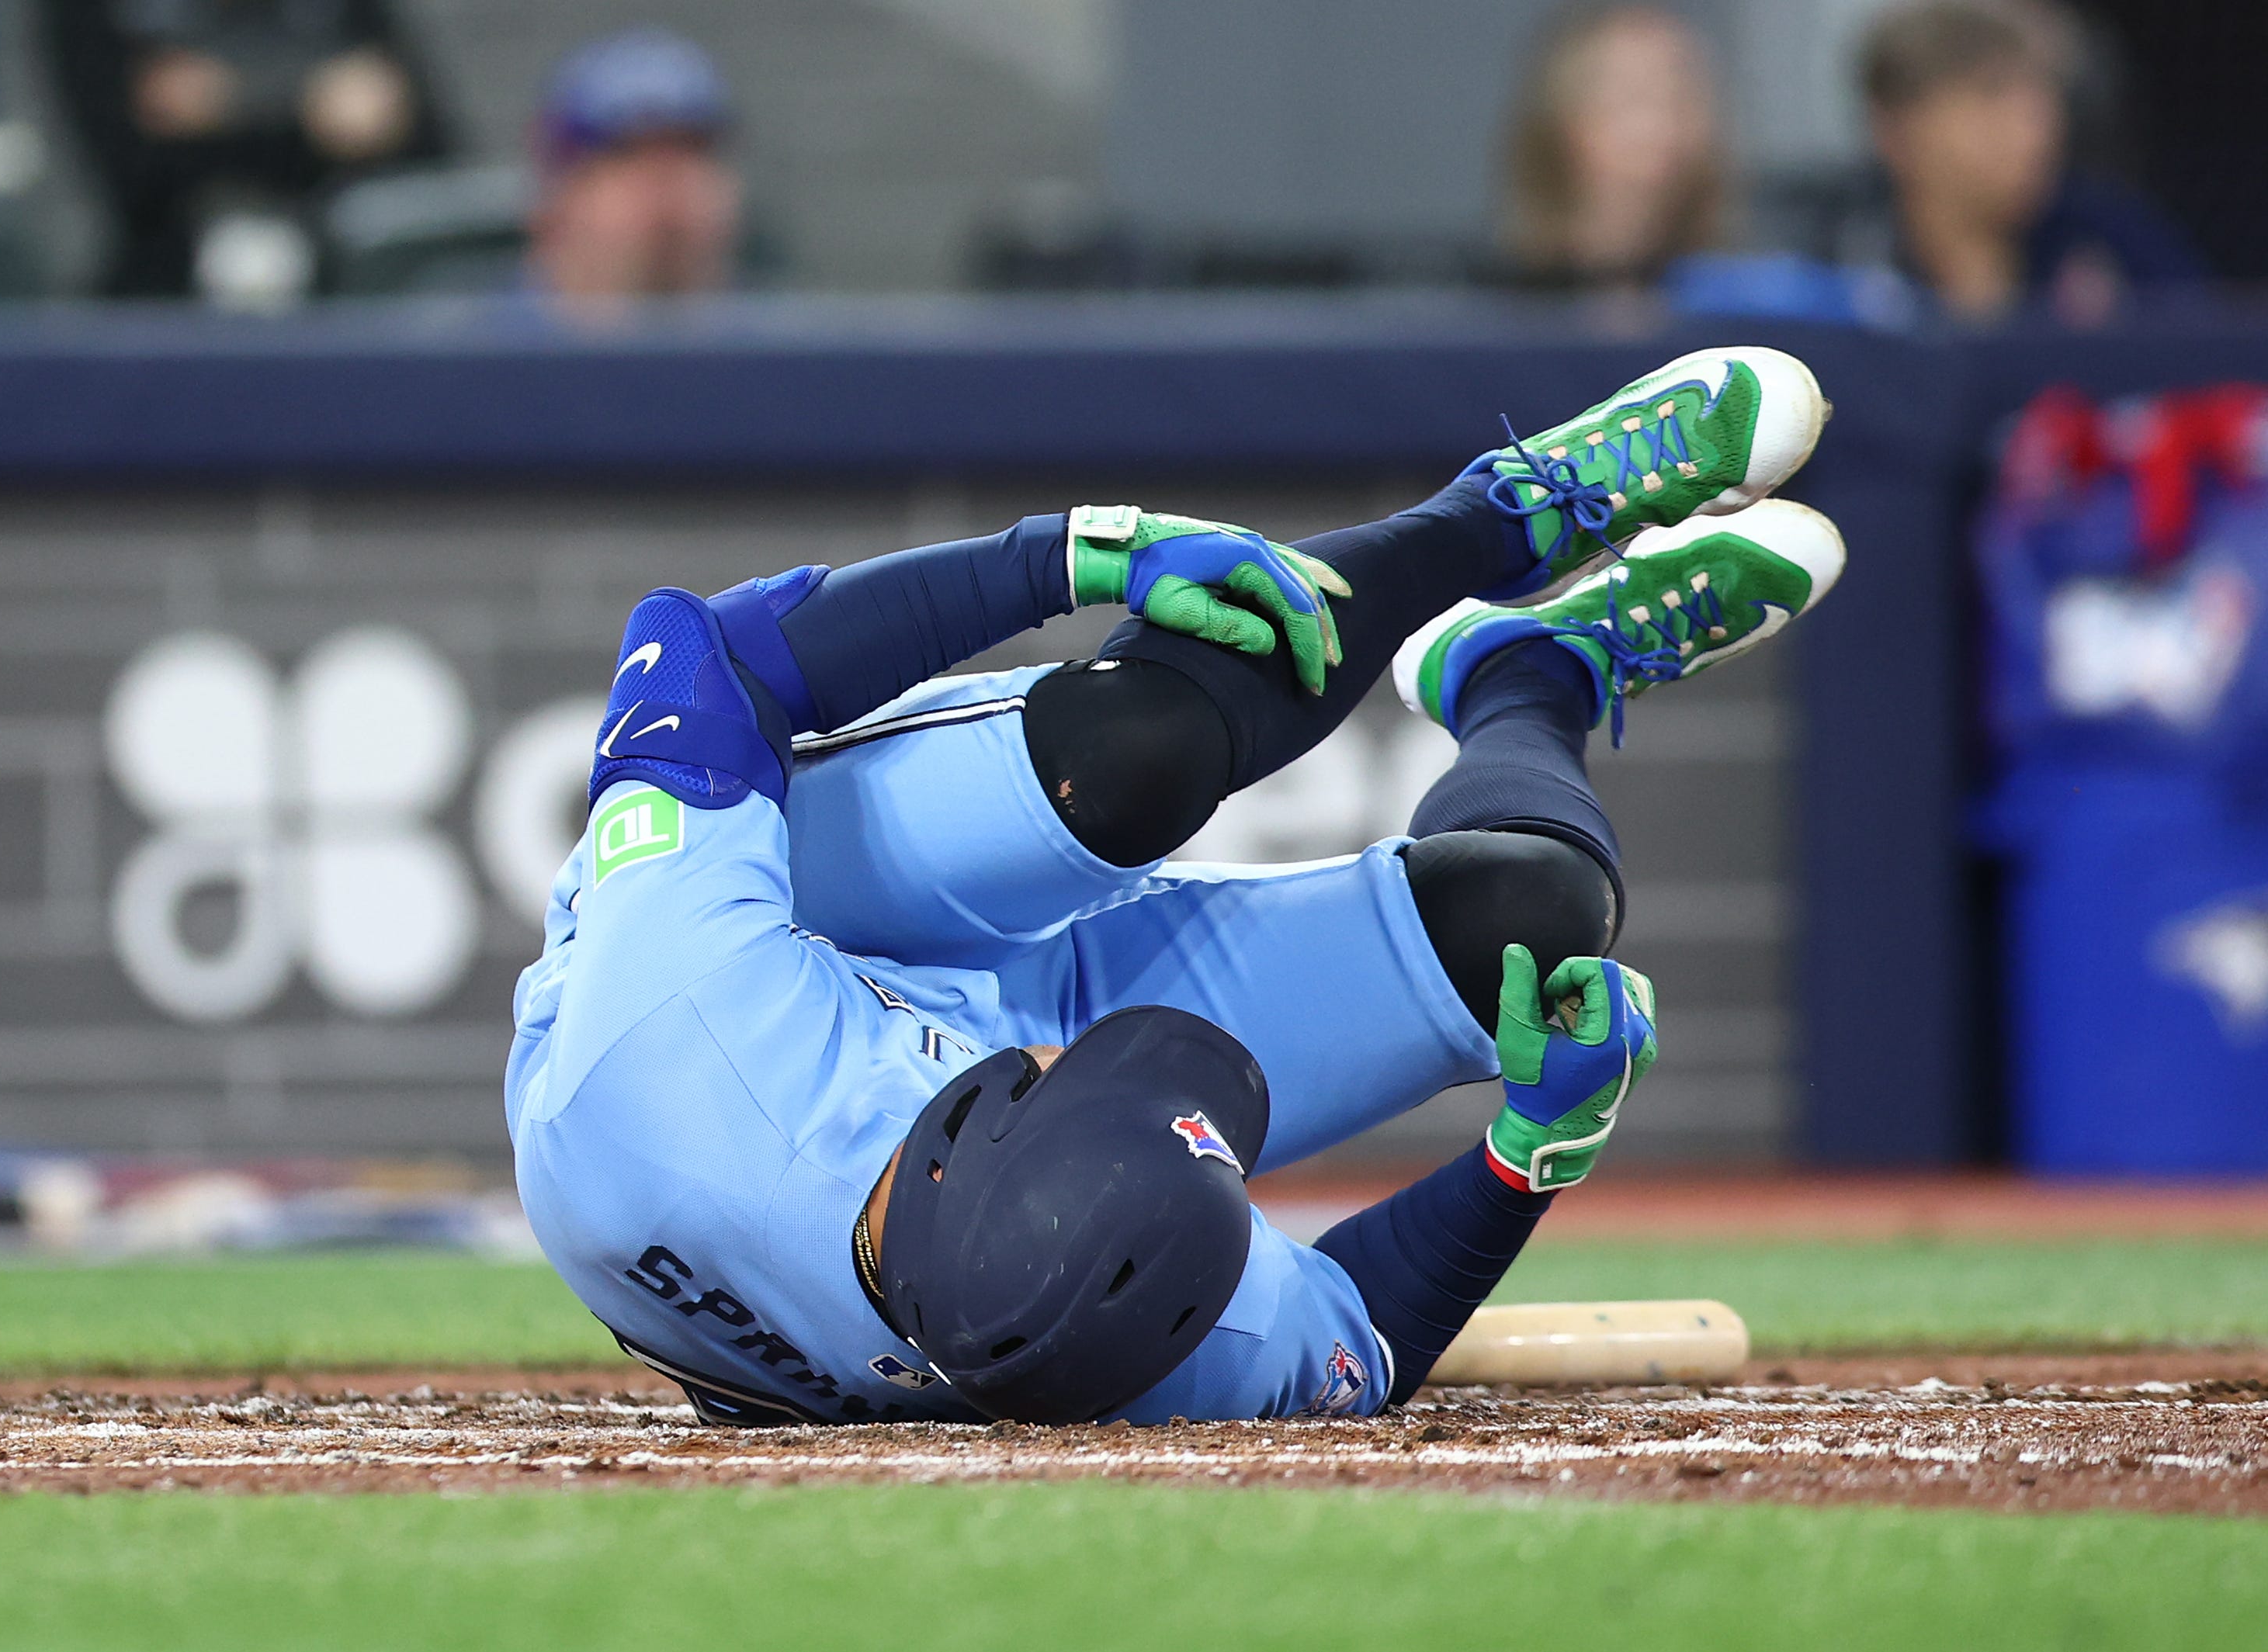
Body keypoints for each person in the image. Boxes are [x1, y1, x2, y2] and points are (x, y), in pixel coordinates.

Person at [505, 346, 1843, 1425]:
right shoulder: (1131, 1326)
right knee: (1535, 929)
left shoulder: (668, 1018)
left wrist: (1074, 554)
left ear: (974, 1109)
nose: (1094, 1063)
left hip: (802, 925)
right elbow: (1363, 1336)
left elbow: (701, 655)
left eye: (1081, 1076)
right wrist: (1531, 1150)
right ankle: (1534, 672)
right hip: (856, 1139)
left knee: (1131, 754)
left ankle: (1504, 513)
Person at [41, 0, 449, 300]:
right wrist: (314, 118)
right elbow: (137, 176)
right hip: (165, 295)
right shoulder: (104, 13)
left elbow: (422, 155)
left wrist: (235, 106)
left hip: (347, 284)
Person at [1857, 0, 2206, 323]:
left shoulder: (2117, 244)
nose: (2032, 132)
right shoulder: (1838, 260)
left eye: (2043, 100)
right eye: (1991, 94)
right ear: (1895, 127)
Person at [1498, 5, 1729, 294]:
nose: (1661, 122)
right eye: (1632, 96)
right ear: (1563, 119)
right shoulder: (1498, 305)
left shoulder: (1739, 295)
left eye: (1679, 94)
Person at [527, 29, 745, 311]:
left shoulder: (786, 343)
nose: (666, 179)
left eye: (692, 149)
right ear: (557, 198)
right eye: (626, 152)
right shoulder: (478, 346)